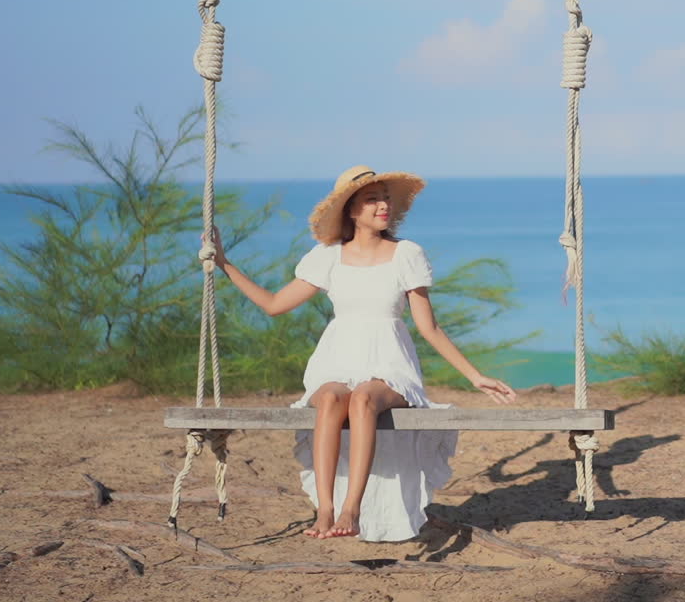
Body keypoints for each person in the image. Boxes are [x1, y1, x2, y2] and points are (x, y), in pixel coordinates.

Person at [208, 164, 516, 541]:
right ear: (351, 211)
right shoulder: (328, 257)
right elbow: (274, 304)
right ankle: (325, 509)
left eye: (385, 197)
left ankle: (351, 508)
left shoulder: (406, 254)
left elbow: (429, 327)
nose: (383, 205)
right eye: (372, 199)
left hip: (391, 364)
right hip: (337, 358)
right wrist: (224, 264)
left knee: (364, 398)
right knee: (331, 399)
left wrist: (475, 376)